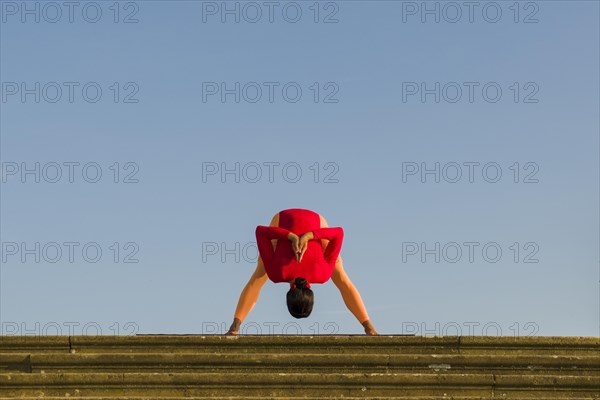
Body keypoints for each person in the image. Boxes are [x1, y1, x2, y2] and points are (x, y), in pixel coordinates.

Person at [226, 208, 378, 335]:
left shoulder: (323, 274)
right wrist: (291, 236)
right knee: (258, 276)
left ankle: (369, 327)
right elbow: (261, 232)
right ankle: (235, 326)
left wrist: (310, 235)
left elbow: (338, 233)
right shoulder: (276, 273)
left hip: (316, 222)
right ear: (288, 295)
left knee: (341, 278)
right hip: (283, 219)